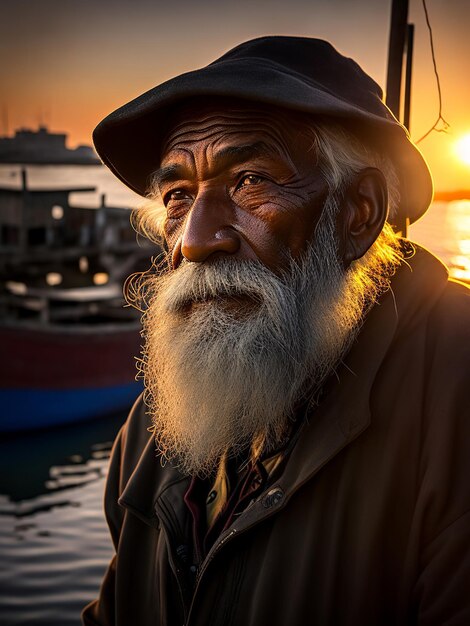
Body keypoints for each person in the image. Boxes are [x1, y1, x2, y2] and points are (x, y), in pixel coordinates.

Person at [82, 37, 470, 626]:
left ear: (358, 212)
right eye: (179, 196)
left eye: (251, 181)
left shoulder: (452, 394)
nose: (195, 239)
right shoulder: (158, 426)